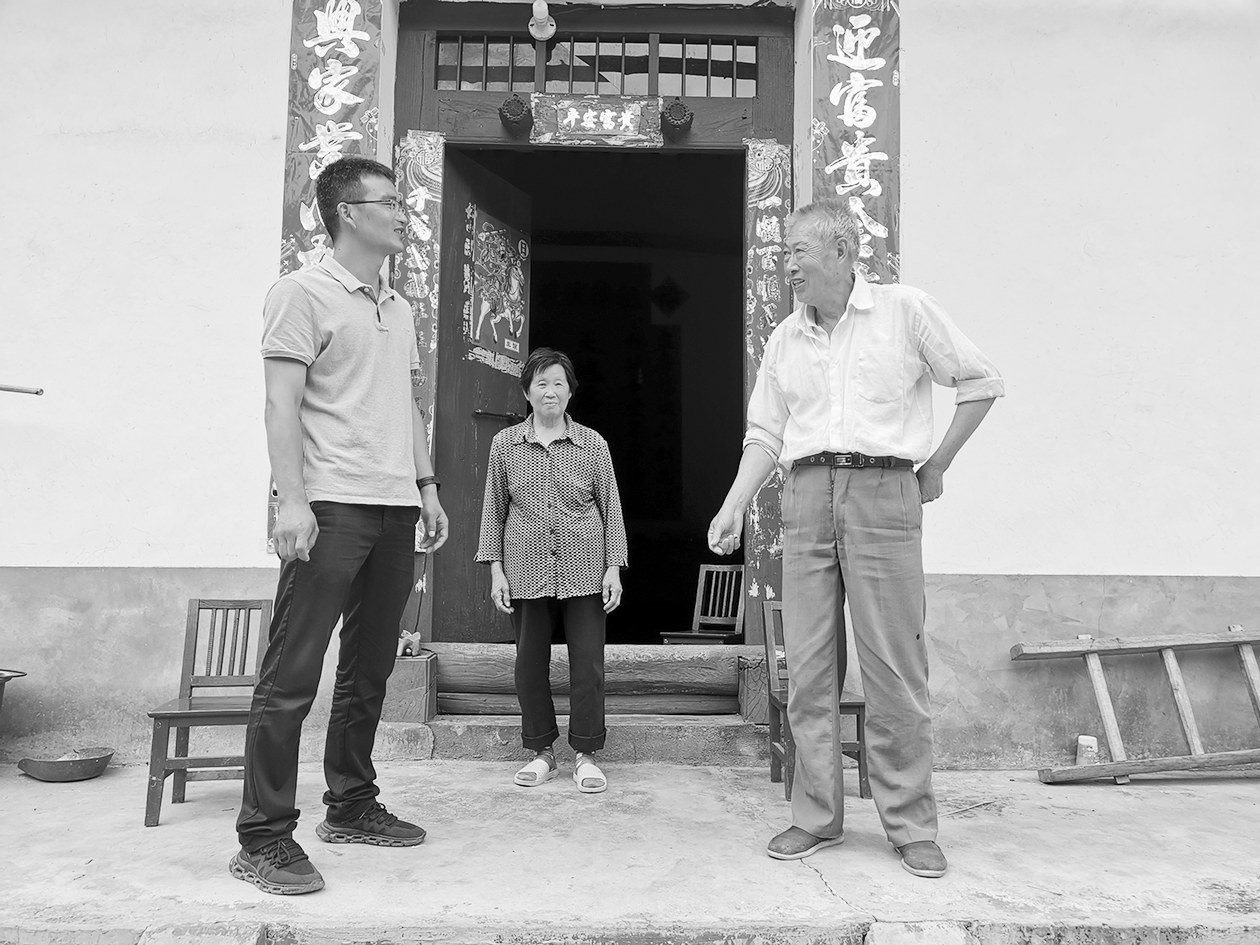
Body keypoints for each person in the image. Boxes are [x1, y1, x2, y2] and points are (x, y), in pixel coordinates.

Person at [707, 198, 1003, 878]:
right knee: (809, 666)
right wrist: (733, 506)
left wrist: (937, 465)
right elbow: (766, 433)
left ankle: (911, 823)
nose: (787, 266)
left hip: (884, 492)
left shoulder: (905, 311)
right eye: (784, 254)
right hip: (806, 495)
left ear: (841, 252)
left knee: (894, 666)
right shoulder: (786, 338)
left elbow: (982, 381)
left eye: (798, 252)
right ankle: (816, 815)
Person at [230, 156, 449, 896]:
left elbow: (407, 406)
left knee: (369, 670)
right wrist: (290, 501)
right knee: (292, 674)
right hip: (328, 505)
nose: (402, 214)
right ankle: (263, 837)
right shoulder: (300, 293)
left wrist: (426, 486)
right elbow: (280, 404)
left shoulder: (399, 307)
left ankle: (351, 803)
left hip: (393, 507)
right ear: (349, 213)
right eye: (390, 202)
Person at [477, 347, 628, 794]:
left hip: (585, 566)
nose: (550, 391)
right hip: (525, 566)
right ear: (526, 391)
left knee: (588, 665)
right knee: (529, 664)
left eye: (558, 383)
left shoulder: (593, 444)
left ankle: (586, 754)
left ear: (570, 391)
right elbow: (494, 510)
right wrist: (496, 571)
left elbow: (611, 509)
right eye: (541, 383)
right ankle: (541, 751)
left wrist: (614, 568)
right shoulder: (506, 445)